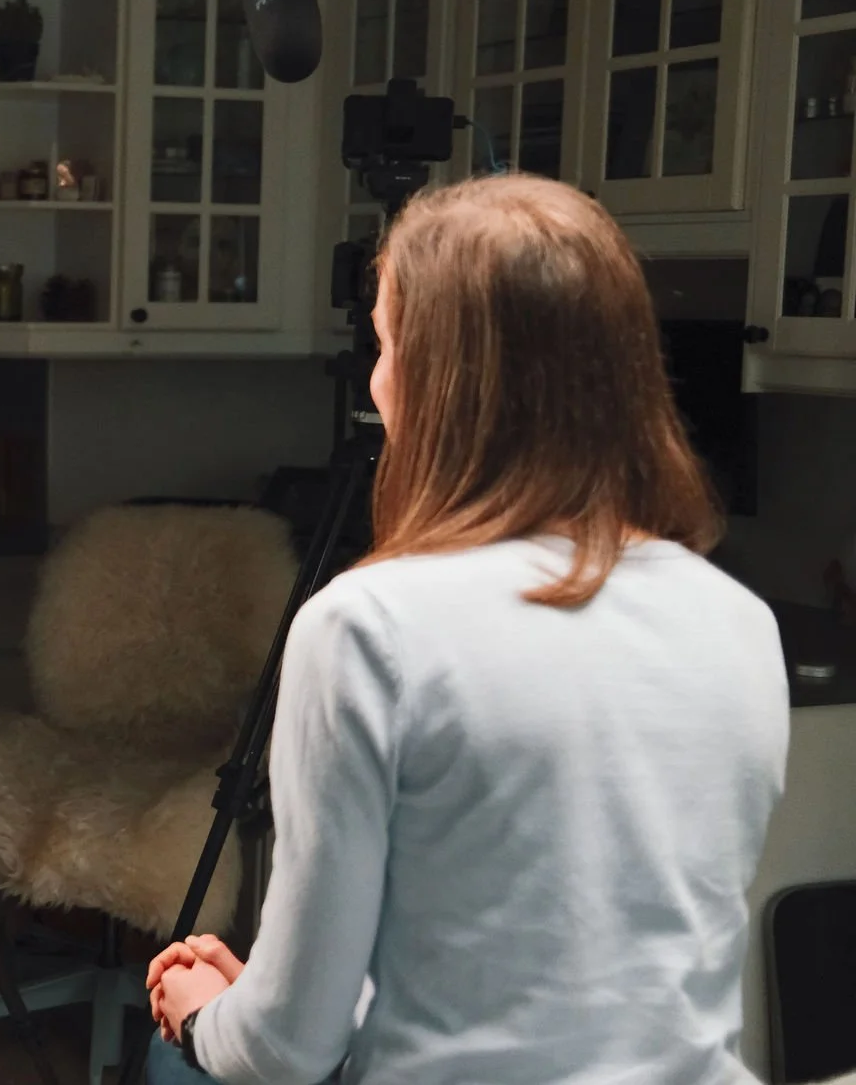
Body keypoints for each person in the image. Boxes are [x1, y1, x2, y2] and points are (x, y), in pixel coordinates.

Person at [146, 174, 790, 1084]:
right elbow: (553, 982)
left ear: (436, 382)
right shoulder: (741, 621)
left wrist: (206, 1012)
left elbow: (286, 1053)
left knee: (169, 1058)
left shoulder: (367, 631)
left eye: (385, 342)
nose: (376, 377)